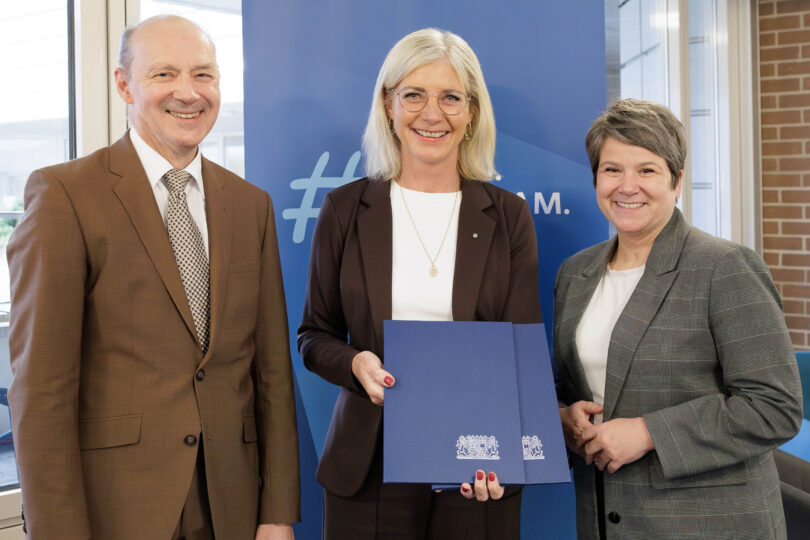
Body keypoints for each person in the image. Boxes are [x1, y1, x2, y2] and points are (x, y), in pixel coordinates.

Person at [7, 15, 299, 540]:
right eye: (164, 74)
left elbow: (272, 374)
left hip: (232, 506)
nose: (188, 92)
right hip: (116, 509)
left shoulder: (250, 205)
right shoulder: (65, 195)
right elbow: (42, 391)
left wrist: (277, 514)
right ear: (124, 85)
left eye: (203, 75)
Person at [298, 28, 541, 539]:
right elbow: (315, 337)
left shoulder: (508, 216)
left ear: (472, 112)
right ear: (388, 106)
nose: (432, 114)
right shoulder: (344, 209)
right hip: (368, 465)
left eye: (450, 97)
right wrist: (356, 364)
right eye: (413, 95)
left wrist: (511, 457)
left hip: (477, 464)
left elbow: (521, 351)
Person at [554, 98, 803, 540]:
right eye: (612, 169)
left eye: (646, 170)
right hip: (604, 519)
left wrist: (649, 432)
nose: (627, 186)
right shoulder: (576, 274)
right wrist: (564, 416)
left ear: (677, 181)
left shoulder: (724, 267)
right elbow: (568, 385)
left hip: (710, 523)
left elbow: (774, 407)